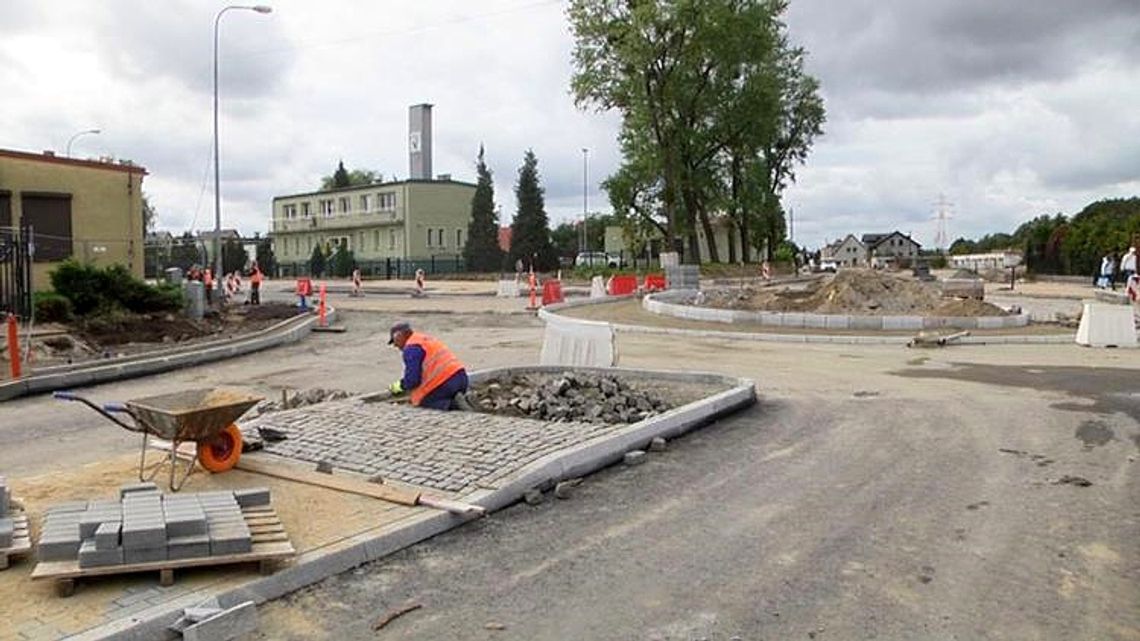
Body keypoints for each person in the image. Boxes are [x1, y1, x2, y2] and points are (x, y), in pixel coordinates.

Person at [387, 321, 468, 411]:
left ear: (399, 336)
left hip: (446, 382)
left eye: (394, 341)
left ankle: (455, 405)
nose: (395, 345)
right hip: (461, 377)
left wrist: (399, 386)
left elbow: (413, 380)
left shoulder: (411, 349)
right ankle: (466, 400)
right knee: (439, 395)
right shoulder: (423, 339)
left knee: (424, 402)